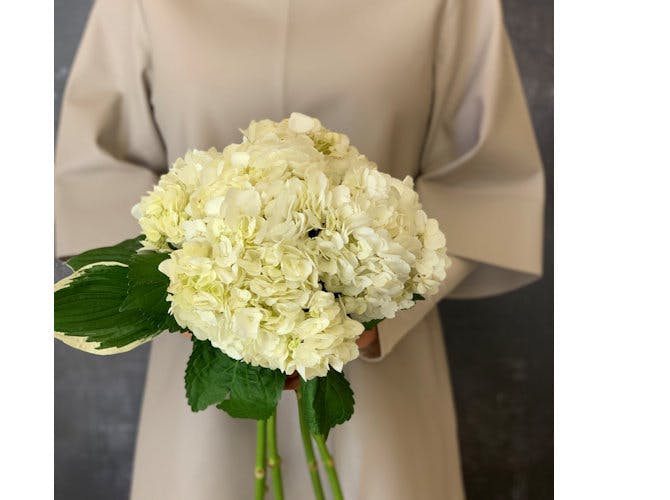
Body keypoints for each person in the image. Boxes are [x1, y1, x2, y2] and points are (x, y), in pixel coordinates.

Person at [55, 0, 544, 498]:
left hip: (382, 369)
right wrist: (202, 291)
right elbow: (96, 171)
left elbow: (485, 180)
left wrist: (371, 310)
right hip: (204, 366)